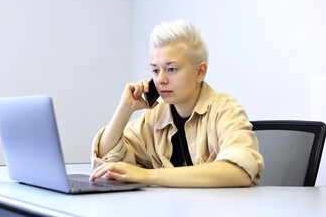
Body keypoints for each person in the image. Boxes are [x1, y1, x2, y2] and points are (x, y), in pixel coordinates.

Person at [90, 19, 264, 187]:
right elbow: (104, 166)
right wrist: (124, 110)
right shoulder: (154, 117)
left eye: (171, 69)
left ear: (200, 72)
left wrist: (148, 175)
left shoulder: (225, 110)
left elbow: (238, 171)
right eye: (155, 70)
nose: (161, 79)